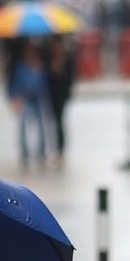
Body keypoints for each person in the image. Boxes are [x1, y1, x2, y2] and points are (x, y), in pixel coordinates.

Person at [7, 42, 49, 168]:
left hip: (37, 99)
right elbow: (12, 83)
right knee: (23, 127)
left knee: (41, 127)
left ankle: (41, 153)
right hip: (24, 99)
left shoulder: (39, 65)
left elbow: (44, 84)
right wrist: (14, 97)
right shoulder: (19, 67)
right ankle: (24, 154)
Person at [44, 36, 76, 168]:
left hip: (61, 96)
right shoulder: (48, 58)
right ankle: (51, 149)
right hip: (50, 95)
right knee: (51, 123)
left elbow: (71, 78)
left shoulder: (67, 58)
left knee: (59, 122)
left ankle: (60, 150)